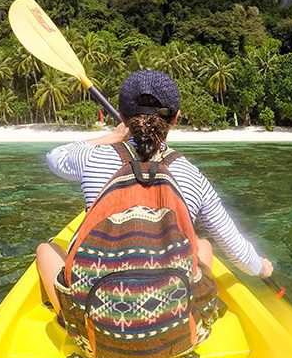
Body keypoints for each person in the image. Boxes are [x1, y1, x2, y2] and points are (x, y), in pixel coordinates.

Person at [37, 69, 274, 317]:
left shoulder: (92, 158)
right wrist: (262, 269)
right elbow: (235, 247)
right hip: (172, 325)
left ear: (122, 117)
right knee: (203, 244)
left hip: (98, 327)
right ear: (176, 118)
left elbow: (55, 157)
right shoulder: (192, 175)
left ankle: (69, 318)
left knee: (46, 249)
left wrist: (113, 136)